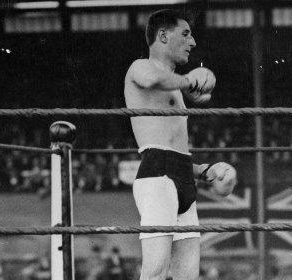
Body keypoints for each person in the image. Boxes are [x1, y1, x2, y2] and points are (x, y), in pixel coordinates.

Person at [124, 9, 237, 280]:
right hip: (157, 179)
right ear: (162, 35)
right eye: (185, 34)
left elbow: (175, 150)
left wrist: (207, 171)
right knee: (155, 272)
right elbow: (152, 79)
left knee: (188, 276)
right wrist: (189, 81)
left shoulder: (175, 88)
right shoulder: (139, 67)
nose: (193, 42)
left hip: (182, 178)